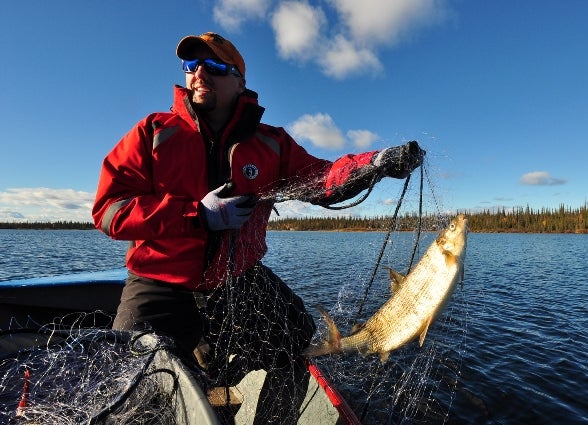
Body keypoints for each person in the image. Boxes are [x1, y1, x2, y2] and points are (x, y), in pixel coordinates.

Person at [93, 31, 423, 424]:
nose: (200, 73)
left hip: (238, 279)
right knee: (127, 379)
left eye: (214, 66)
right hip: (160, 282)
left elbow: (322, 177)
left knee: (296, 342)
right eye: (192, 65)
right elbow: (109, 210)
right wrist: (195, 214)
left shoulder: (272, 143)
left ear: (240, 81)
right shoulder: (152, 132)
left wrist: (376, 162)